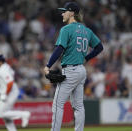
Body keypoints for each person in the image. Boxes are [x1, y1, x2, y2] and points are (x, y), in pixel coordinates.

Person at [44, 2, 103, 131]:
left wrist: (48, 65)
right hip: (81, 70)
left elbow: (59, 49)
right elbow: (99, 47)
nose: (62, 13)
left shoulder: (66, 29)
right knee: (78, 106)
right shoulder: (86, 30)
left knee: (57, 105)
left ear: (71, 13)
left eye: (64, 11)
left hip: (70, 70)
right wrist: (86, 58)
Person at [0, 54, 31, 131]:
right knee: (6, 116)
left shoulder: (2, 69)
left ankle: (24, 114)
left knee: (0, 113)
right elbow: (11, 75)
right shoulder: (5, 66)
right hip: (10, 91)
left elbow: (10, 82)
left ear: (0, 62)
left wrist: (5, 94)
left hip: (9, 93)